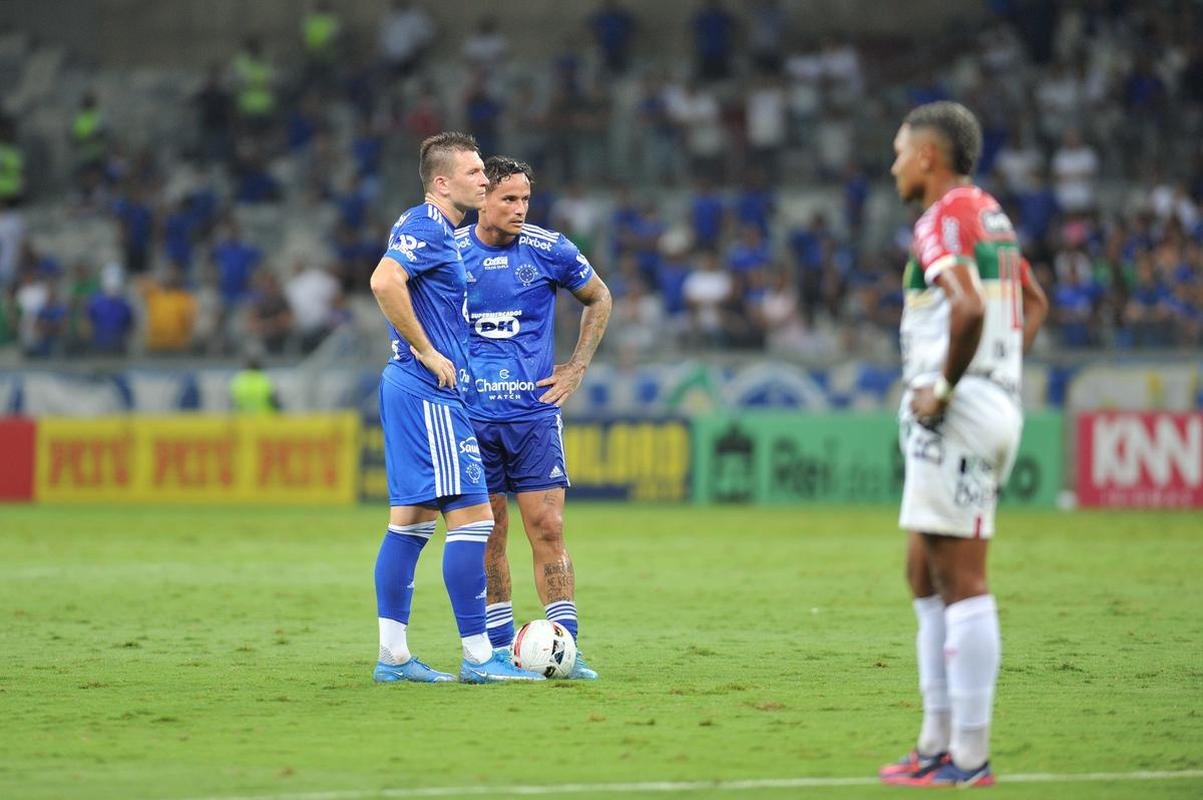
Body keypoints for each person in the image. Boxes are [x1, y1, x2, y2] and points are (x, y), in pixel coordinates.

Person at [879, 102, 1048, 788]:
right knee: (922, 573)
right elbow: (1031, 302)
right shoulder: (989, 214)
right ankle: (933, 744)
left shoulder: (942, 217)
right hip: (986, 400)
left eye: (897, 151)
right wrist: (1001, 376)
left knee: (962, 579)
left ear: (926, 156)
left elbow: (971, 308)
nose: (891, 164)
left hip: (958, 410)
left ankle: (969, 758)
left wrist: (949, 389)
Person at [369, 133, 543, 684]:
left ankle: (393, 658)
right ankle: (478, 658)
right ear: (442, 183)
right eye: (473, 174)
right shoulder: (426, 225)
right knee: (475, 521)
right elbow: (383, 279)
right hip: (428, 391)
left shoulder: (432, 228)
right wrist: (426, 349)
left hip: (413, 389)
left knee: (411, 525)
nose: (484, 182)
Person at [456, 156, 612, 679]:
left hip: (534, 417)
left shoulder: (550, 249)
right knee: (489, 535)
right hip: (472, 418)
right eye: (509, 199)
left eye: (525, 199)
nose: (521, 209)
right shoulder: (450, 254)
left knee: (548, 528)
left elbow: (599, 297)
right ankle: (500, 650)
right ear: (483, 199)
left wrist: (576, 368)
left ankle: (568, 646)